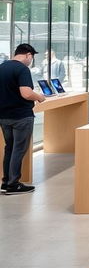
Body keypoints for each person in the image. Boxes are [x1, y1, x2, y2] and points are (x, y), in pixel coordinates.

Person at [0, 43, 46, 195]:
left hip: (4, 116)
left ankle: (6, 181)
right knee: (19, 149)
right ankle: (14, 184)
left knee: (10, 148)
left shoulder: (2, 67)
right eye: (31, 57)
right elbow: (26, 93)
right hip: (21, 116)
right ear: (28, 55)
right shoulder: (22, 69)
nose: (30, 61)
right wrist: (39, 97)